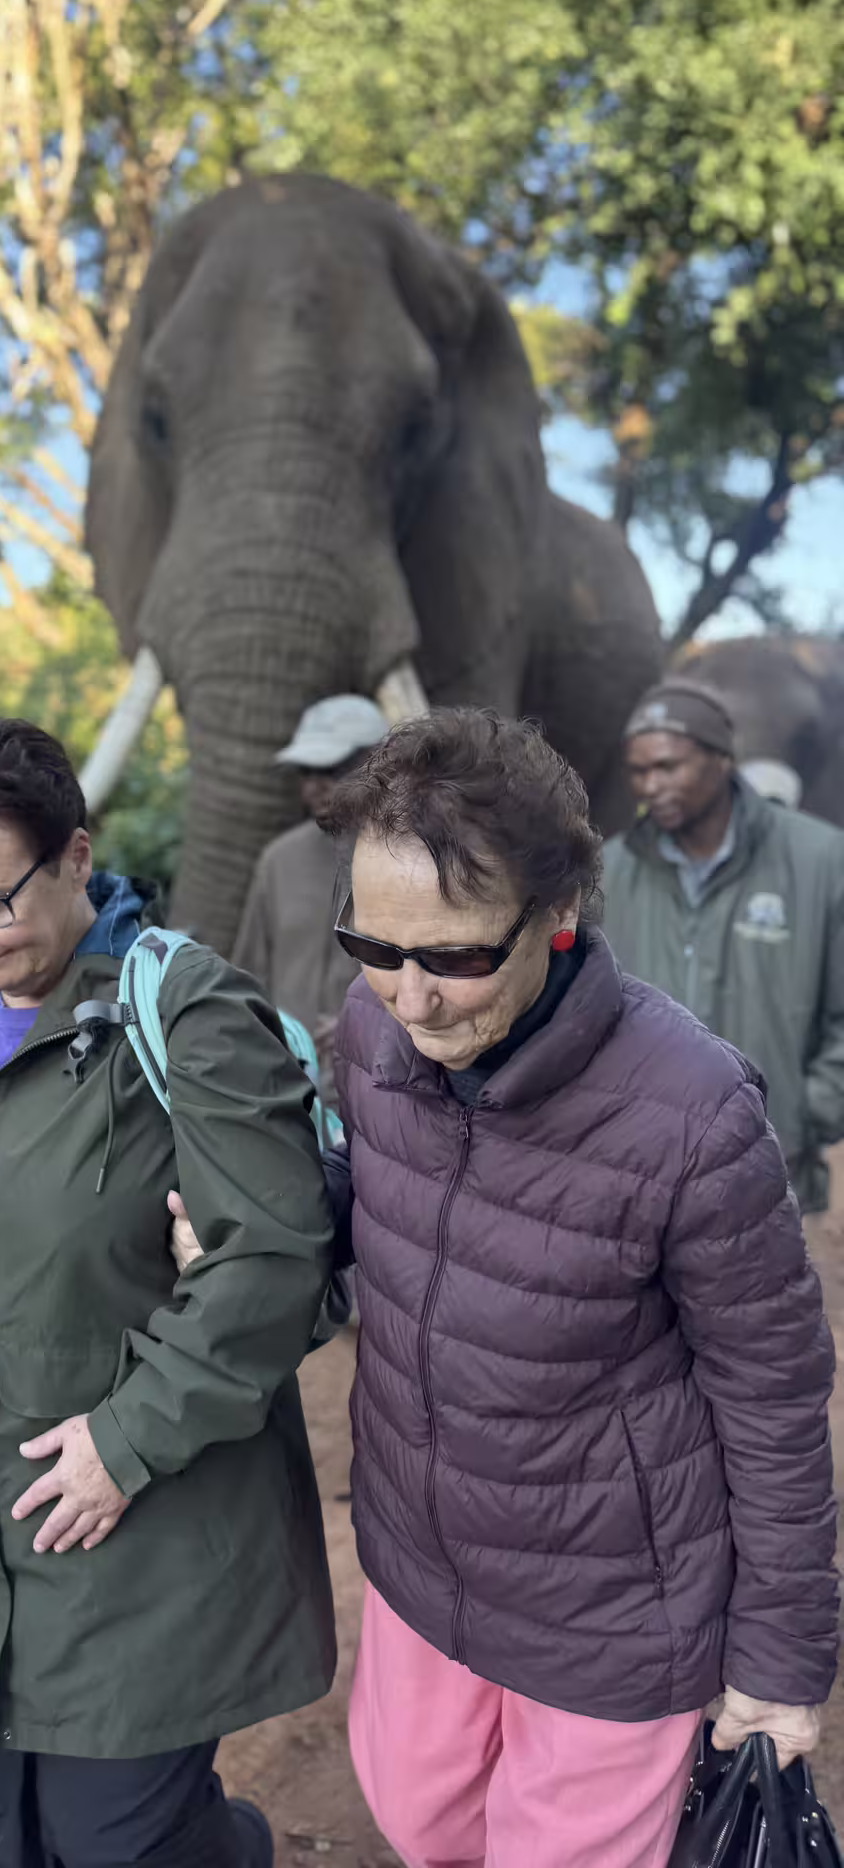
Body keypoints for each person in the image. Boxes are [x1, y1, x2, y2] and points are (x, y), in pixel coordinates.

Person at [169, 709, 836, 1868]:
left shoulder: (695, 1114)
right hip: (422, 1559)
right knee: (423, 1818)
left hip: (614, 1606)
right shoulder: (375, 1039)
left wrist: (781, 1665)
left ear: (560, 915)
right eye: (374, 949)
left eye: (457, 957)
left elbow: (773, 1402)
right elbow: (364, 1196)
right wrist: (254, 1233)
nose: (411, 999)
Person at [0, 717, 336, 1868]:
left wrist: (126, 1442)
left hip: (137, 1529)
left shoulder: (187, 1018)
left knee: (117, 1847)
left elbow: (273, 1258)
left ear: (78, 856)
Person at [602, 678, 844, 1212]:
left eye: (669, 767)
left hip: (766, 1167)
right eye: (639, 772)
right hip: (639, 1163)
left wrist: (805, 1115)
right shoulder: (613, 870)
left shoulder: (822, 862)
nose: (651, 786)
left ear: (722, 759)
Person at [233, 695, 390, 1101]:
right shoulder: (279, 861)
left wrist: (373, 1027)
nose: (316, 785)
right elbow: (249, 980)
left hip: (388, 1092)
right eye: (307, 770)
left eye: (332, 768)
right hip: (289, 1097)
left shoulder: (411, 861)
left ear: (378, 763)